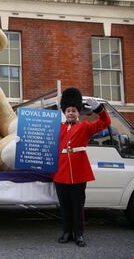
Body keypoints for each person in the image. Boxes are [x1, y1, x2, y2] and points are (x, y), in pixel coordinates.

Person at [53, 87, 111, 247]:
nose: (71, 113)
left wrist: (99, 110)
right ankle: (66, 232)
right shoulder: (58, 128)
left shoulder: (85, 127)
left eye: (74, 110)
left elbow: (105, 122)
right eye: (68, 110)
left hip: (78, 172)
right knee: (64, 205)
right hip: (61, 173)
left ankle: (79, 234)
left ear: (78, 112)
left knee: (77, 205)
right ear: (64, 112)